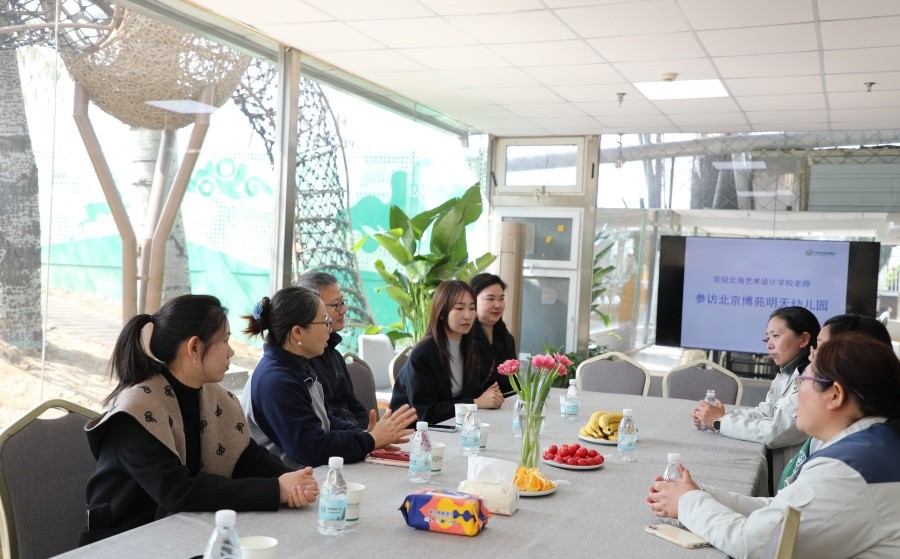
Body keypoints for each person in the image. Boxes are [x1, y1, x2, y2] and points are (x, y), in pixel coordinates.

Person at [80, 295, 318, 545]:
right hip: (121, 542)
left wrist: (295, 480)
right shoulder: (137, 409)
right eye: (224, 340)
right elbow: (178, 491)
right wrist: (275, 490)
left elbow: (245, 457)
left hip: (180, 534)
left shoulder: (213, 397)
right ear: (194, 348)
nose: (231, 351)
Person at [648, 332, 900, 558]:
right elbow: (782, 512)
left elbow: (756, 543)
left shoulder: (849, 469)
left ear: (835, 395)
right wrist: (698, 493)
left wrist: (687, 502)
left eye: (802, 381)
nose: (797, 393)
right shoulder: (871, 445)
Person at [241, 286, 416, 468]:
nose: (329, 329)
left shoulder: (298, 368)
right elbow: (313, 449)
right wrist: (370, 439)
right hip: (290, 480)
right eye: (324, 322)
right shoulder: (276, 382)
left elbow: (327, 420)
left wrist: (365, 435)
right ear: (298, 332)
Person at [693, 306, 820, 487]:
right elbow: (765, 412)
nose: (769, 345)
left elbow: (774, 432)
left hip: (796, 481)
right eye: (768, 338)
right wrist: (719, 417)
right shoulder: (786, 373)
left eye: (776, 336)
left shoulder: (809, 381)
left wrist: (720, 421)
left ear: (804, 339)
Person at [776, 313, 892, 491]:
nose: (811, 356)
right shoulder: (832, 429)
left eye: (822, 347)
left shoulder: (847, 462)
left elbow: (773, 432)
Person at [390, 280, 505, 425]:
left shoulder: (470, 346)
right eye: (460, 308)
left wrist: (489, 395)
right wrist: (475, 402)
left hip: (452, 425)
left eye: (472, 308)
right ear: (442, 313)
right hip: (413, 431)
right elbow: (426, 413)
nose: (468, 315)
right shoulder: (423, 354)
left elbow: (468, 393)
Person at [295, 271, 368, 426]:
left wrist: (369, 432)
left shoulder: (334, 354)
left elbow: (354, 405)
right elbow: (325, 421)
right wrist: (364, 437)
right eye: (336, 305)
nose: (343, 310)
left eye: (343, 302)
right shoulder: (303, 362)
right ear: (312, 308)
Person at [470, 273, 517, 396]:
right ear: (472, 301)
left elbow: (514, 385)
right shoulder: (465, 338)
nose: (498, 305)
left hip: (505, 405)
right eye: (490, 299)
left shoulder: (506, 339)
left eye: (501, 299)